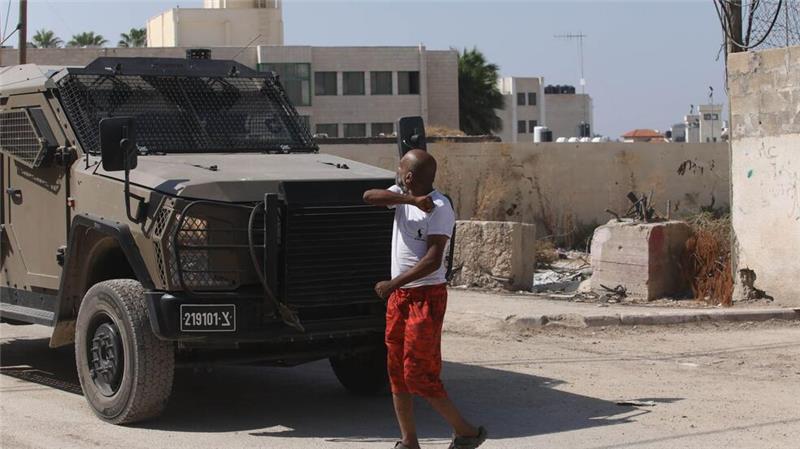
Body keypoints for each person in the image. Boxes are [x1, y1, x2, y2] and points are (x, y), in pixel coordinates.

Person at [363, 149, 487, 449]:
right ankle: (409, 441)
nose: (396, 174)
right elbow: (368, 196)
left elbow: (433, 260)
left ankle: (466, 431)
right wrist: (408, 200)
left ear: (408, 176)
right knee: (396, 371)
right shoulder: (401, 196)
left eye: (399, 169)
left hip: (425, 298)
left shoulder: (440, 208)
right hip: (400, 298)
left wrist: (392, 284)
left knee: (419, 373)